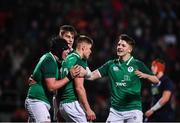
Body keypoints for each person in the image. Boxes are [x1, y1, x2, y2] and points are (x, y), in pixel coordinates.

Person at [85, 34, 160, 123]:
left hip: (133, 110)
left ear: (130, 50)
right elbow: (91, 76)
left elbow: (156, 80)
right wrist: (82, 64)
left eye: (123, 45)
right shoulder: (110, 64)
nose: (119, 47)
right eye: (118, 44)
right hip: (115, 111)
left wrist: (146, 76)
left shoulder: (137, 64)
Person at [25, 37, 82, 123]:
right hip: (37, 101)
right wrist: (69, 77)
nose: (68, 52)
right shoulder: (50, 61)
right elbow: (51, 87)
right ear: (60, 50)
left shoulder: (52, 60)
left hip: (40, 101)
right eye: (66, 50)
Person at [58, 35, 96, 122]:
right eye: (89, 48)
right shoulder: (79, 61)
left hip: (63, 104)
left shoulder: (68, 58)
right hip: (72, 103)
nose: (90, 51)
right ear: (83, 48)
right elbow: (79, 88)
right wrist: (88, 109)